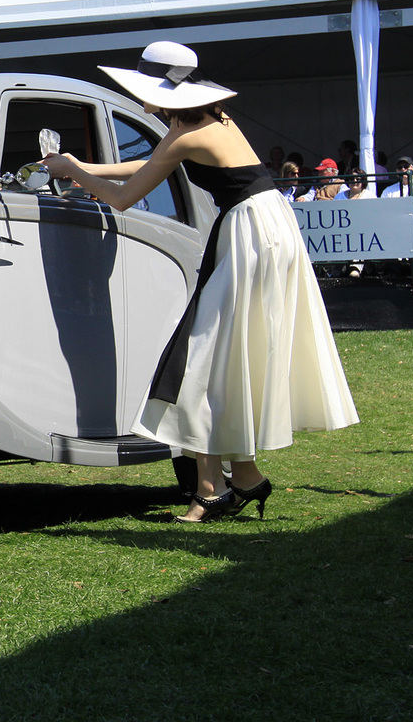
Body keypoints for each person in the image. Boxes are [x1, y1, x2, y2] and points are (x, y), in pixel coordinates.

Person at [42, 41, 358, 522]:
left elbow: (125, 196)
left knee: (204, 356)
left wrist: (76, 173)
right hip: (264, 228)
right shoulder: (203, 125)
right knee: (217, 356)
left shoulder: (186, 134)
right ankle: (235, 479)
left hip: (251, 233)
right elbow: (150, 165)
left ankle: (218, 487)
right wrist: (76, 168)